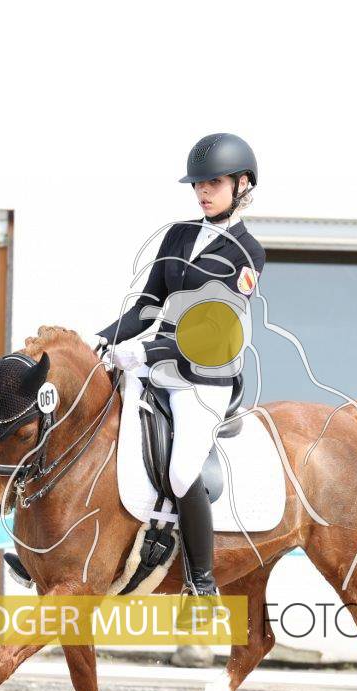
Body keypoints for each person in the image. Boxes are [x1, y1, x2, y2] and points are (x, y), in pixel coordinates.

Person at [88, 132, 266, 604]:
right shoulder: (178, 235)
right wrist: (103, 339)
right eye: (198, 184)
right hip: (156, 367)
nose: (203, 191)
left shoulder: (247, 253)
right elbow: (147, 304)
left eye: (214, 183)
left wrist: (145, 354)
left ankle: (201, 584)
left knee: (184, 472)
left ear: (242, 184)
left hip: (203, 379)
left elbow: (212, 328)